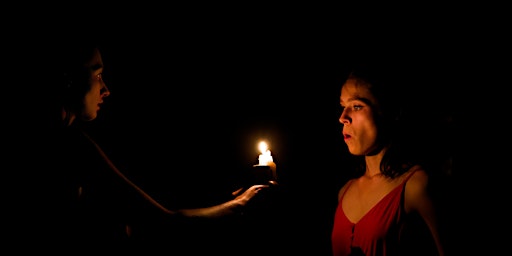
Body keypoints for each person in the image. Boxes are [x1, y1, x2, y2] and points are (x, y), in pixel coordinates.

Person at [32, 38, 276, 247]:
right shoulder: (70, 147)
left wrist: (231, 200)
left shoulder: (71, 143)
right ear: (68, 79)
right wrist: (241, 204)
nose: (105, 89)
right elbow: (163, 223)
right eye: (97, 75)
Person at [330, 60, 448, 256]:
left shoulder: (416, 186)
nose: (343, 117)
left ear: (388, 112)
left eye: (357, 106)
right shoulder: (344, 192)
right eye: (343, 106)